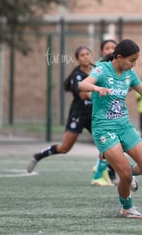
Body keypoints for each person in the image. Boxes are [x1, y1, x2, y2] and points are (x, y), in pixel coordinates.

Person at [78, 39, 142, 219]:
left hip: (124, 126)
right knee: (123, 173)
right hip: (104, 128)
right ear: (119, 57)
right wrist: (96, 87)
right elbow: (82, 85)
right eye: (132, 60)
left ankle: (127, 173)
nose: (134, 64)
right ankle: (127, 207)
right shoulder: (102, 69)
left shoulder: (129, 73)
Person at [26, 46, 115, 185]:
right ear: (78, 59)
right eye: (82, 55)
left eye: (87, 54)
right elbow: (85, 94)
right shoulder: (77, 76)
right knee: (65, 148)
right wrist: (104, 94)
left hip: (94, 115)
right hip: (78, 114)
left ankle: (104, 175)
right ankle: (38, 156)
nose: (85, 57)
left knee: (107, 145)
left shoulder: (97, 70)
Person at [92, 39, 119, 185]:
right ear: (102, 51)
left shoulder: (122, 68)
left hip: (117, 113)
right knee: (110, 146)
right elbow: (87, 85)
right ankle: (99, 174)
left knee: (111, 147)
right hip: (103, 114)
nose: (110, 50)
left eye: (113, 48)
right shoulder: (99, 67)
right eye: (107, 48)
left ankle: (102, 171)